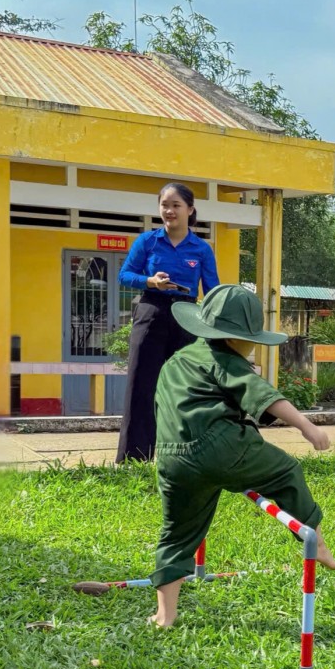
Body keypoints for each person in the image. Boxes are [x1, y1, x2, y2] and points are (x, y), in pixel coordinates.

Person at [148, 284, 335, 628]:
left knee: (176, 533)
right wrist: (307, 427)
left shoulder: (176, 361)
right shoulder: (226, 361)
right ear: (235, 339)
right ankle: (317, 542)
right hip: (220, 445)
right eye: (251, 340)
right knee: (286, 472)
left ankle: (165, 615)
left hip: (171, 456)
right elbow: (265, 396)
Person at [116, 183, 219, 463]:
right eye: (165, 205)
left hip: (187, 316)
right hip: (151, 311)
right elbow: (124, 275)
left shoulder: (201, 249)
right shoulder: (147, 241)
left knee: (182, 387)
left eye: (176, 205)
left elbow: (212, 289)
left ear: (190, 210)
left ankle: (179, 457)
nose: (169, 211)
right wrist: (149, 281)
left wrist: (216, 323)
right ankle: (134, 458)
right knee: (141, 384)